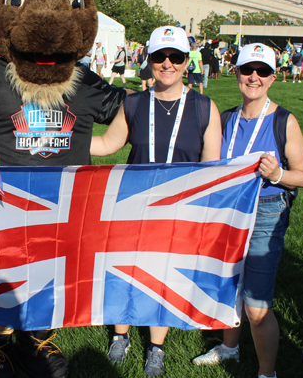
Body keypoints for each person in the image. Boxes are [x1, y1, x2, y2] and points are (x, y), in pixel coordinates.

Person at [90, 25, 221, 376]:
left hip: (178, 209)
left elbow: (213, 169)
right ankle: (120, 336)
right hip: (132, 203)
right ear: (148, 60)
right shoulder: (133, 102)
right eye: (160, 56)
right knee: (123, 270)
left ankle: (157, 347)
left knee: (162, 276)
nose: (167, 64)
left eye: (175, 57)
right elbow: (107, 145)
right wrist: (60, 140)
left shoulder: (204, 108)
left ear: (185, 63)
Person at [192, 43, 303, 378]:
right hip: (228, 211)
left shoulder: (285, 121)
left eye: (262, 71)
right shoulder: (225, 118)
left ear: (273, 78)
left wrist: (278, 175)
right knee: (229, 288)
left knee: (257, 304)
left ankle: (267, 373)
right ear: (236, 74)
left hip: (265, 212)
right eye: (247, 70)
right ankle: (229, 349)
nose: (254, 77)